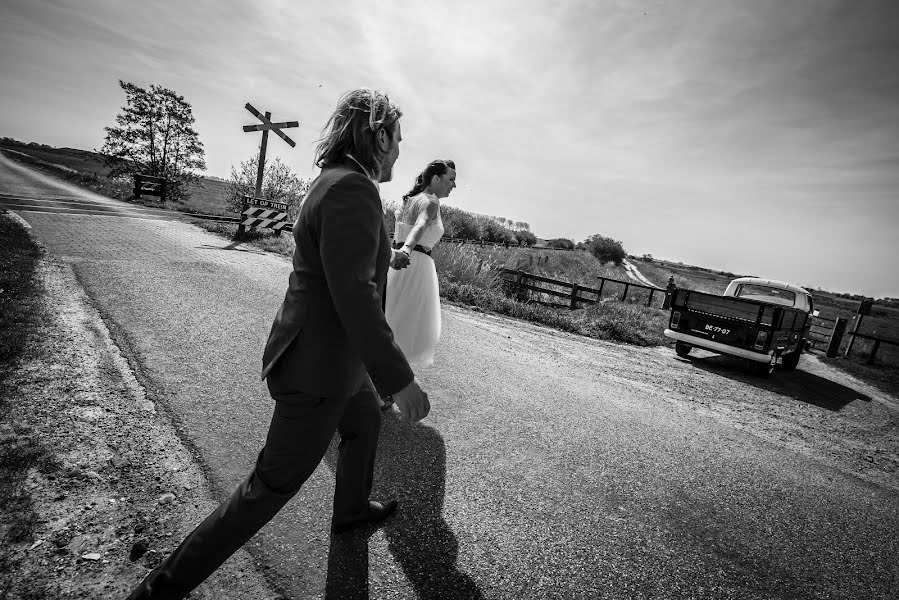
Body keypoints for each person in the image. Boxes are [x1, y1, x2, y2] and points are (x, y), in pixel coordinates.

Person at [125, 88, 430, 600]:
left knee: (365, 422)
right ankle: (157, 591)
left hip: (337, 362)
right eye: (397, 139)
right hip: (320, 368)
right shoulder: (353, 190)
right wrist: (401, 380)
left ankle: (351, 509)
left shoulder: (333, 181)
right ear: (378, 136)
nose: (400, 150)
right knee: (266, 490)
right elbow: (355, 297)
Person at [380, 159, 456, 412]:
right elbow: (421, 226)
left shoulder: (411, 199)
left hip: (397, 266)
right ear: (436, 178)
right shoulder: (431, 202)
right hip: (414, 265)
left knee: (389, 322)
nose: (453, 185)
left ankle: (379, 383)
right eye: (450, 179)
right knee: (403, 328)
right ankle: (383, 387)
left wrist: (398, 251)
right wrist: (407, 249)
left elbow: (404, 229)